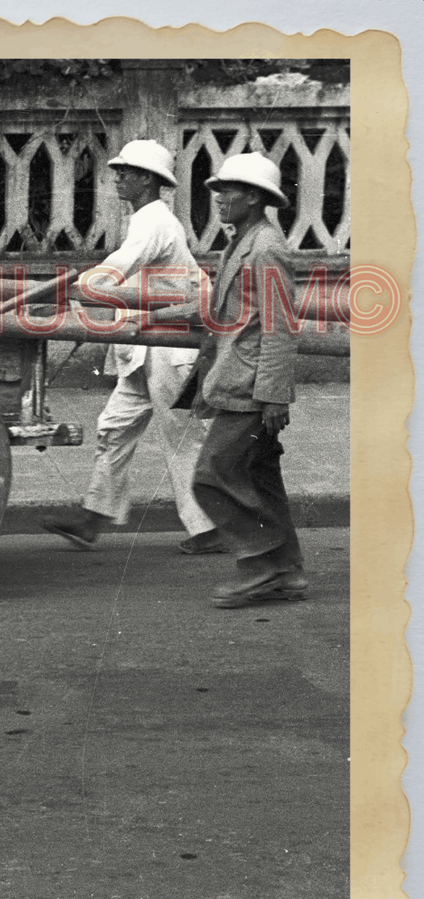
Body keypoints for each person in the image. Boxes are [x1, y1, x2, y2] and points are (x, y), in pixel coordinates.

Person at [40, 140, 222, 554]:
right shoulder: (144, 219)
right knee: (114, 427)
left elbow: (116, 270)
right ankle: (92, 518)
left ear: (147, 179)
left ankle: (209, 528)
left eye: (126, 171)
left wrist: (69, 290)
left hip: (172, 349)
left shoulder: (154, 222)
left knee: (181, 439)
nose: (118, 177)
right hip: (145, 347)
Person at [187, 152, 307, 609]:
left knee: (212, 476)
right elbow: (229, 313)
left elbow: (279, 325)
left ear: (254, 197)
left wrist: (274, 397)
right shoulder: (241, 242)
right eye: (217, 190)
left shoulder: (266, 248)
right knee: (259, 476)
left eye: (228, 190)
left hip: (251, 387)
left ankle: (261, 567)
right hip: (239, 377)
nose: (219, 199)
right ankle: (288, 570)